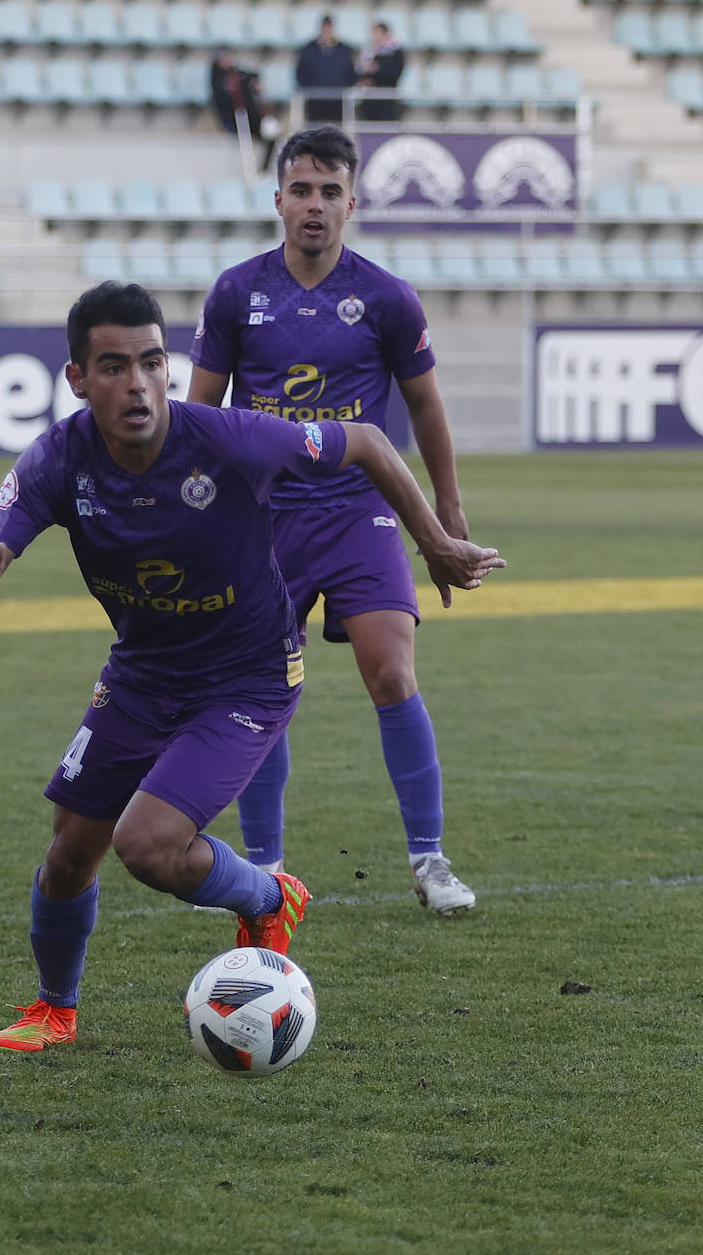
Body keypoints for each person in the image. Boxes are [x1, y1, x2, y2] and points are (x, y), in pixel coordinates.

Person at [0, 280, 502, 1052]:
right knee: (70, 849)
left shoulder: (229, 439)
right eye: (112, 366)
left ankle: (268, 895)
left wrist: (436, 544)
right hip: (141, 674)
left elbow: (371, 443)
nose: (136, 383)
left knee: (146, 845)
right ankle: (54, 1010)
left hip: (245, 680)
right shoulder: (57, 457)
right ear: (76, 378)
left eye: (149, 362)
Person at [187, 124, 481, 916]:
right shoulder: (234, 293)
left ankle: (429, 861)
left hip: (359, 513)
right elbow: (199, 415)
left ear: (352, 200)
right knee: (262, 689)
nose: (313, 205)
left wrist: (445, 519)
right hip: (263, 521)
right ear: (276, 198)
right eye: (300, 190)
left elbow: (423, 408)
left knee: (390, 671)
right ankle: (266, 872)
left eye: (328, 192)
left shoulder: (385, 297)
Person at [209, 50, 277, 172]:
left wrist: (255, 83)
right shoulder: (218, 79)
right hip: (236, 117)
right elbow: (224, 96)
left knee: (271, 138)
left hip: (249, 115)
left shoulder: (237, 73)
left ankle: (264, 169)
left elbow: (252, 75)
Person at [294, 14, 356, 125]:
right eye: (325, 28)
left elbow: (351, 74)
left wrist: (343, 89)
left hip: (338, 102)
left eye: (329, 28)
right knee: (315, 133)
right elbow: (300, 74)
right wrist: (310, 90)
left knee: (336, 134)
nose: (327, 32)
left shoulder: (344, 50)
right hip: (314, 101)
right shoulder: (308, 50)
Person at [356, 21, 406, 122]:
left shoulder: (396, 53)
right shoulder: (368, 53)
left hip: (387, 101)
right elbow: (359, 73)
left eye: (377, 34)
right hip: (369, 101)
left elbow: (394, 74)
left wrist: (377, 69)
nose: (375, 37)